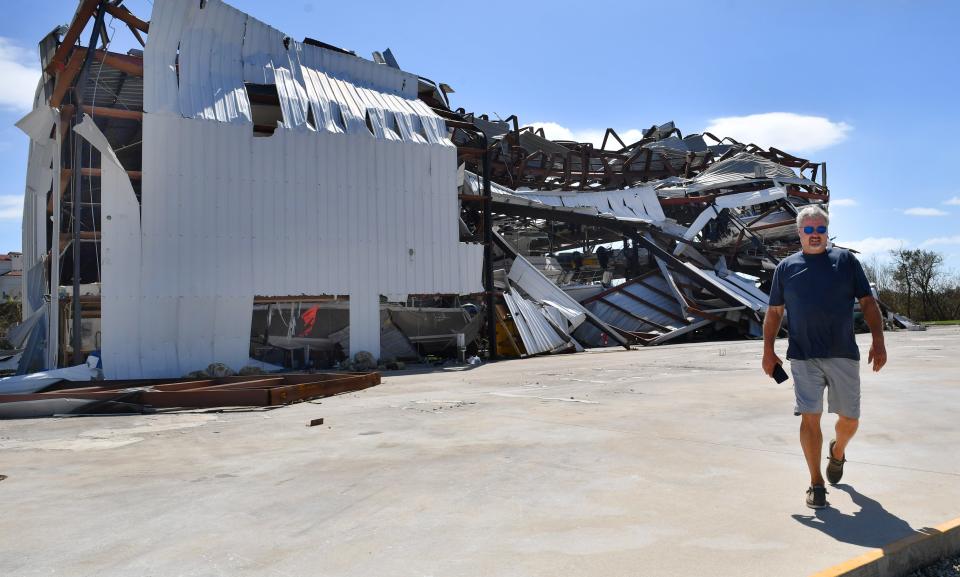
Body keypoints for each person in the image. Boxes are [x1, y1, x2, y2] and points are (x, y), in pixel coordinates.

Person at [762, 205, 887, 510]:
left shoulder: (845, 261)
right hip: (803, 355)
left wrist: (878, 341)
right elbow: (775, 312)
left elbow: (868, 303)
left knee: (850, 419)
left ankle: (839, 450)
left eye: (821, 229)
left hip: (843, 352)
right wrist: (768, 350)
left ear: (826, 232)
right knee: (810, 416)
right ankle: (816, 483)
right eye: (809, 230)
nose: (815, 235)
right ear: (799, 233)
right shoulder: (786, 268)